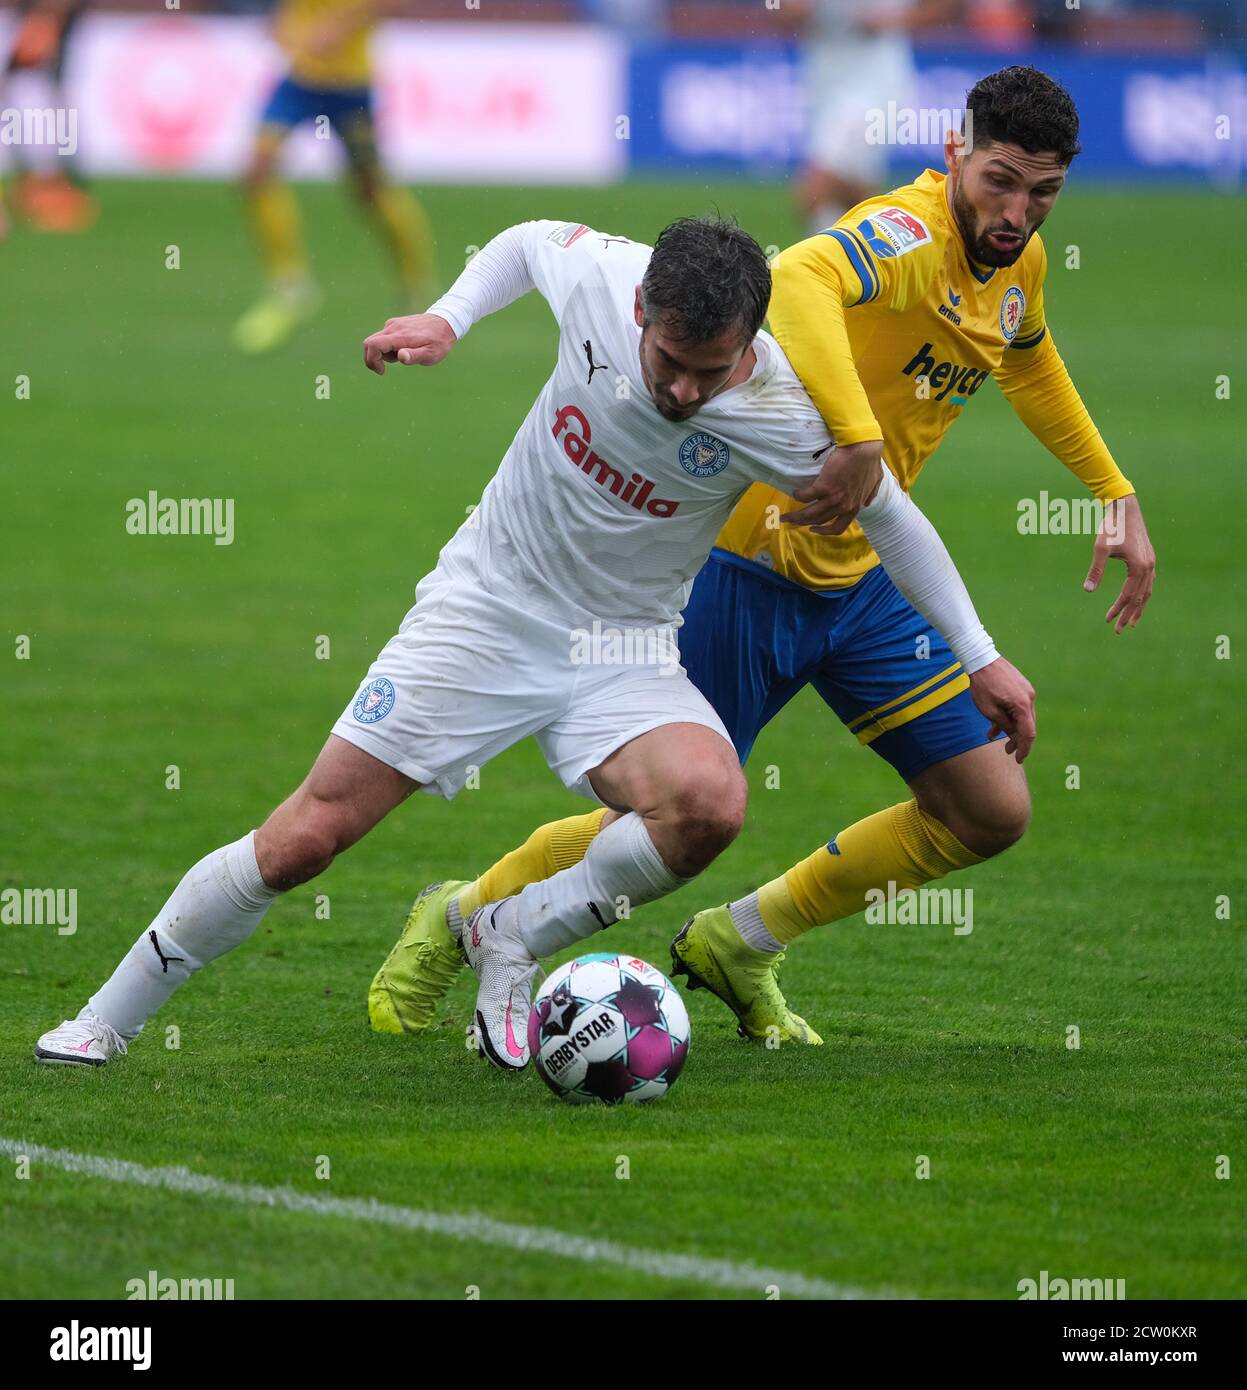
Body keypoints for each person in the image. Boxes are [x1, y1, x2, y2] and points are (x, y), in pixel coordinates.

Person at [35, 215, 1028, 1071]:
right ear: (638, 309)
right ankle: (101, 1024)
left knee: (708, 804)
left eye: (708, 370)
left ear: (750, 339)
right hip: (484, 612)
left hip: (621, 649)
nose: (684, 391)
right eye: (669, 364)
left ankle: (511, 931)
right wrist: (446, 317)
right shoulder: (600, 273)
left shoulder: (781, 411)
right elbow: (517, 241)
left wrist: (979, 656)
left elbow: (894, 522)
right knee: (304, 839)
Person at [371, 67, 1149, 1048]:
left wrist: (1111, 488)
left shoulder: (1013, 266)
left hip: (861, 581)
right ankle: (458, 917)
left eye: (1042, 193)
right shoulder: (902, 235)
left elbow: (1025, 354)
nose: (1016, 211)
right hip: (746, 569)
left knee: (986, 807)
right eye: (998, 180)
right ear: (954, 154)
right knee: (669, 815)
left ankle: (742, 939)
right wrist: (858, 437)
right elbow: (799, 277)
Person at [231, 0, 435, 354]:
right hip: (300, 80)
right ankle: (290, 288)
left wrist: (339, 26)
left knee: (370, 192)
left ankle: (417, 284)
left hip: (349, 86)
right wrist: (285, 25)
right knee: (256, 171)